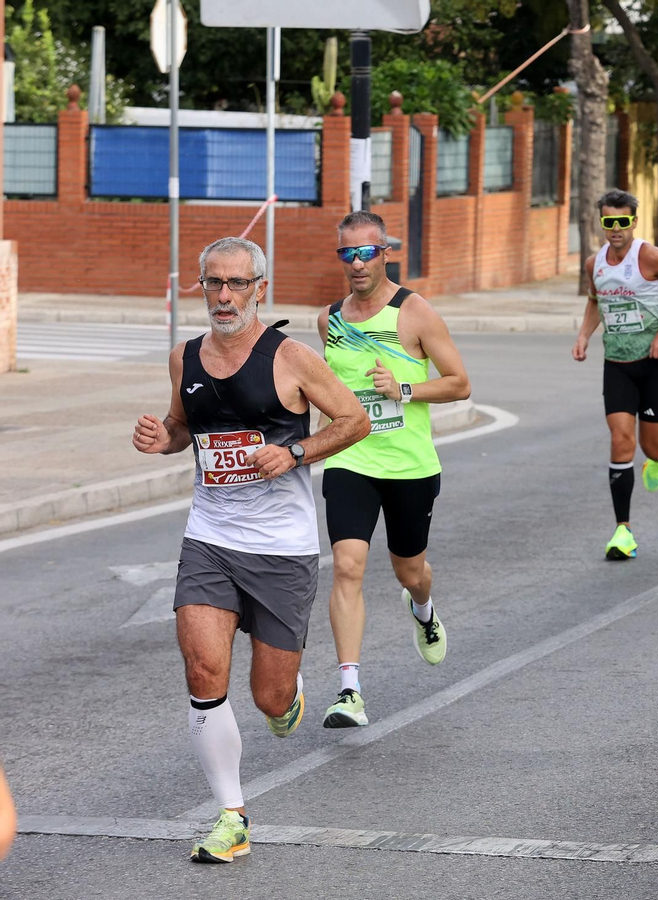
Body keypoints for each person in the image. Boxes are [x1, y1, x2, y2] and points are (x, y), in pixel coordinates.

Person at [132, 236, 370, 863]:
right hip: (210, 538)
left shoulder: (290, 357)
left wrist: (293, 452)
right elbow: (187, 427)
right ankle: (231, 814)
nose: (225, 296)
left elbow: (353, 421)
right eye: (214, 283)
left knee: (268, 696)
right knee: (203, 671)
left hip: (282, 551)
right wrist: (164, 436)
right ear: (202, 288)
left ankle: (285, 700)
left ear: (260, 288)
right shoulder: (185, 357)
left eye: (238, 284)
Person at [315, 211, 472, 729]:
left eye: (366, 252)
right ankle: (349, 689)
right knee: (347, 566)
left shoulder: (415, 312)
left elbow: (459, 383)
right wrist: (310, 449)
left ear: (385, 253)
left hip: (409, 466)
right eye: (347, 253)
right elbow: (327, 397)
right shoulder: (330, 320)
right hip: (350, 460)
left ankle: (423, 609)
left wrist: (403, 389)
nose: (356, 263)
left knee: (410, 571)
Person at [574, 190, 658, 560]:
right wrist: (584, 335)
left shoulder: (649, 256)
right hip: (616, 365)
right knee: (620, 440)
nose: (616, 229)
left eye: (623, 221)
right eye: (609, 222)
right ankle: (622, 531)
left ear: (633, 221)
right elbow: (595, 301)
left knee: (650, 445)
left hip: (654, 364)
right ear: (601, 222)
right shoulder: (593, 263)